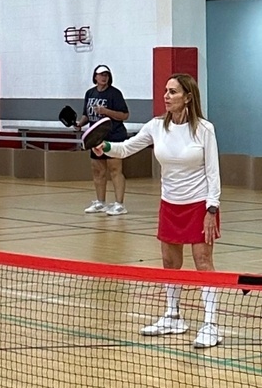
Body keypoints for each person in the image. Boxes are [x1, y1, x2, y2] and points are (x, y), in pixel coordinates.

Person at [95, 73, 223, 348]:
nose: (166, 96)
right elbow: (126, 148)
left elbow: (213, 172)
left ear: (188, 97)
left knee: (203, 263)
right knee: (170, 263)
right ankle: (173, 316)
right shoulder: (155, 127)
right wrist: (104, 147)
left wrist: (211, 209)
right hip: (170, 204)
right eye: (166, 91)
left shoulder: (204, 129)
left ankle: (211, 324)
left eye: (173, 92)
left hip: (199, 204)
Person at [77, 65, 130, 215]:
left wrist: (106, 111)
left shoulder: (115, 94)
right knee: (98, 171)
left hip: (114, 136)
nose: (103, 77)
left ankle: (119, 204)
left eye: (106, 75)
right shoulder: (90, 93)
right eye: (101, 75)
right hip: (96, 138)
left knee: (115, 170)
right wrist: (80, 124)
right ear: (95, 77)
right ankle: (100, 202)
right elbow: (86, 114)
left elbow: (124, 115)